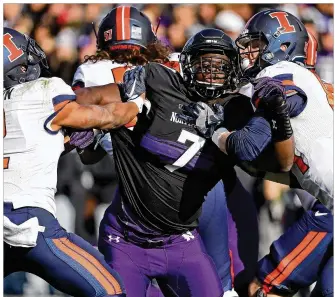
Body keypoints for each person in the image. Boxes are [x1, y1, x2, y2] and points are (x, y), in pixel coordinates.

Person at [74, 25, 269, 297]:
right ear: (186, 65)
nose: (211, 74)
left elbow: (269, 161)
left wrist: (274, 111)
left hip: (181, 235)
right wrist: (87, 125)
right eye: (204, 65)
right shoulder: (159, 80)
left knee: (226, 288)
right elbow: (96, 104)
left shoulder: (237, 108)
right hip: (127, 235)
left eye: (220, 66)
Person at [179, 9, 333, 297]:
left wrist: (214, 130)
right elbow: (285, 163)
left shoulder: (278, 74)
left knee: (262, 287)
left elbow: (247, 146)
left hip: (330, 212)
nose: (248, 52)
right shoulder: (317, 87)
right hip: (328, 208)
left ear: (281, 46)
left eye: (256, 45)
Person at [3, 27, 135, 297]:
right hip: (29, 223)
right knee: (111, 289)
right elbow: (106, 117)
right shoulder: (44, 90)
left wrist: (66, 141)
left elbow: (28, 145)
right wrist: (137, 102)